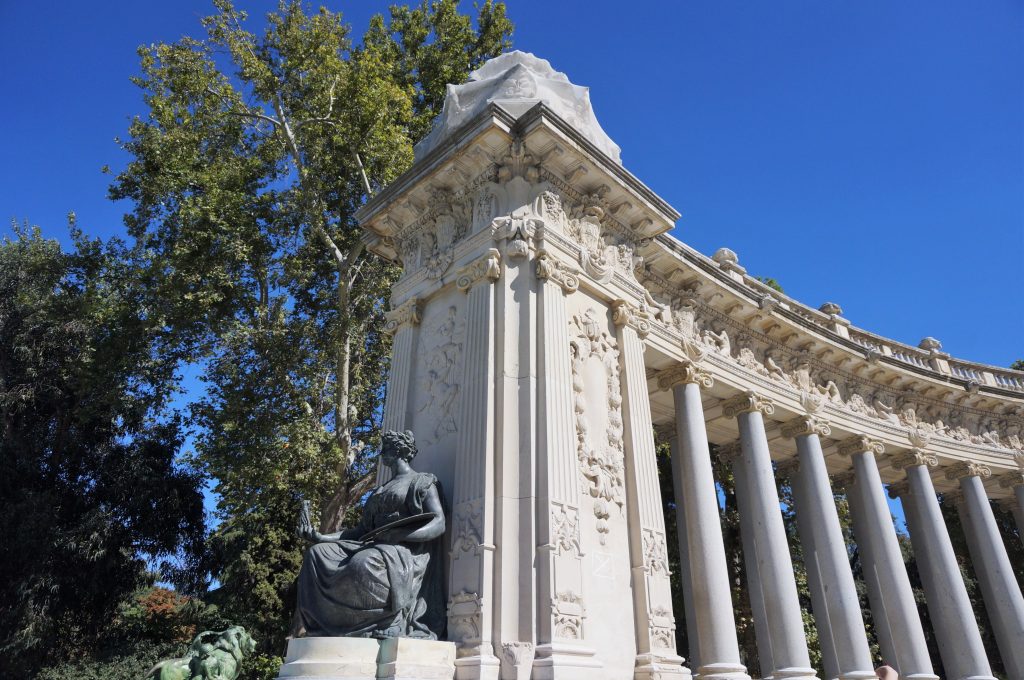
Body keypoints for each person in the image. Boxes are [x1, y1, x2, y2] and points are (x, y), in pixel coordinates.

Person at [295, 430, 446, 639]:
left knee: (363, 563)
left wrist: (400, 536)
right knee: (316, 554)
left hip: (403, 551)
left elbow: (439, 523)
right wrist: (321, 537)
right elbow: (360, 531)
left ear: (399, 451)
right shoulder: (380, 490)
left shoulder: (422, 482)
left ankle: (388, 620)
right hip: (373, 545)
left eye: (386, 448)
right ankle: (329, 626)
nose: (382, 452)